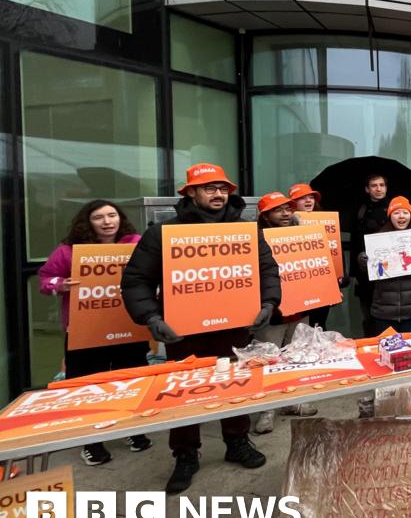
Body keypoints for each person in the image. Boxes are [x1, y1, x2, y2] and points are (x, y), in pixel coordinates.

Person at [121, 163, 280, 493]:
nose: (219, 194)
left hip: (235, 327)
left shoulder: (247, 231)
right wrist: (151, 318)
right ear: (190, 192)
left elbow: (267, 269)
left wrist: (269, 302)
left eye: (223, 188)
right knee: (185, 392)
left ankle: (237, 442)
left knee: (235, 386)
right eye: (210, 188)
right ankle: (185, 455)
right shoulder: (162, 233)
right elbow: (136, 279)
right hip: (183, 330)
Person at [39, 200, 151, 466]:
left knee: (131, 380)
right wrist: (61, 284)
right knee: (89, 385)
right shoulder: (69, 251)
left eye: (112, 215)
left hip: (127, 327)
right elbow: (45, 279)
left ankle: (132, 430)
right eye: (99, 217)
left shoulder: (135, 243)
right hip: (85, 329)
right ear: (87, 222)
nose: (107, 221)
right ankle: (91, 441)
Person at [252, 192, 317, 434]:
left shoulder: (303, 234)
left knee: (297, 355)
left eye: (288, 209)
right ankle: (266, 409)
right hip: (271, 311)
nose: (286, 213)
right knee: (268, 359)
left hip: (299, 307)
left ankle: (292, 400)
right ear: (265, 215)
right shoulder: (254, 239)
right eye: (278, 210)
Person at [362, 196, 411, 335]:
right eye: (396, 213)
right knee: (386, 352)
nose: (401, 216)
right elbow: (370, 272)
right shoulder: (378, 239)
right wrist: (363, 261)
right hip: (384, 312)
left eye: (405, 212)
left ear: (410, 215)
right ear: (390, 216)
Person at [288, 183, 347, 331]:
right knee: (300, 331)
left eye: (311, 197)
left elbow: (335, 250)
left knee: (319, 326)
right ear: (292, 203)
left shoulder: (326, 223)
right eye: (302, 198)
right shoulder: (284, 225)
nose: (308, 201)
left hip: (322, 287)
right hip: (298, 288)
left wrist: (340, 277)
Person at [350, 174, 391, 336]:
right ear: (367, 189)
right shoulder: (361, 210)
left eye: (382, 185)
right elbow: (354, 243)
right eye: (374, 185)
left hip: (389, 272)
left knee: (386, 316)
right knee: (368, 316)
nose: (379, 188)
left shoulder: (394, 209)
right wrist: (354, 272)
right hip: (365, 272)